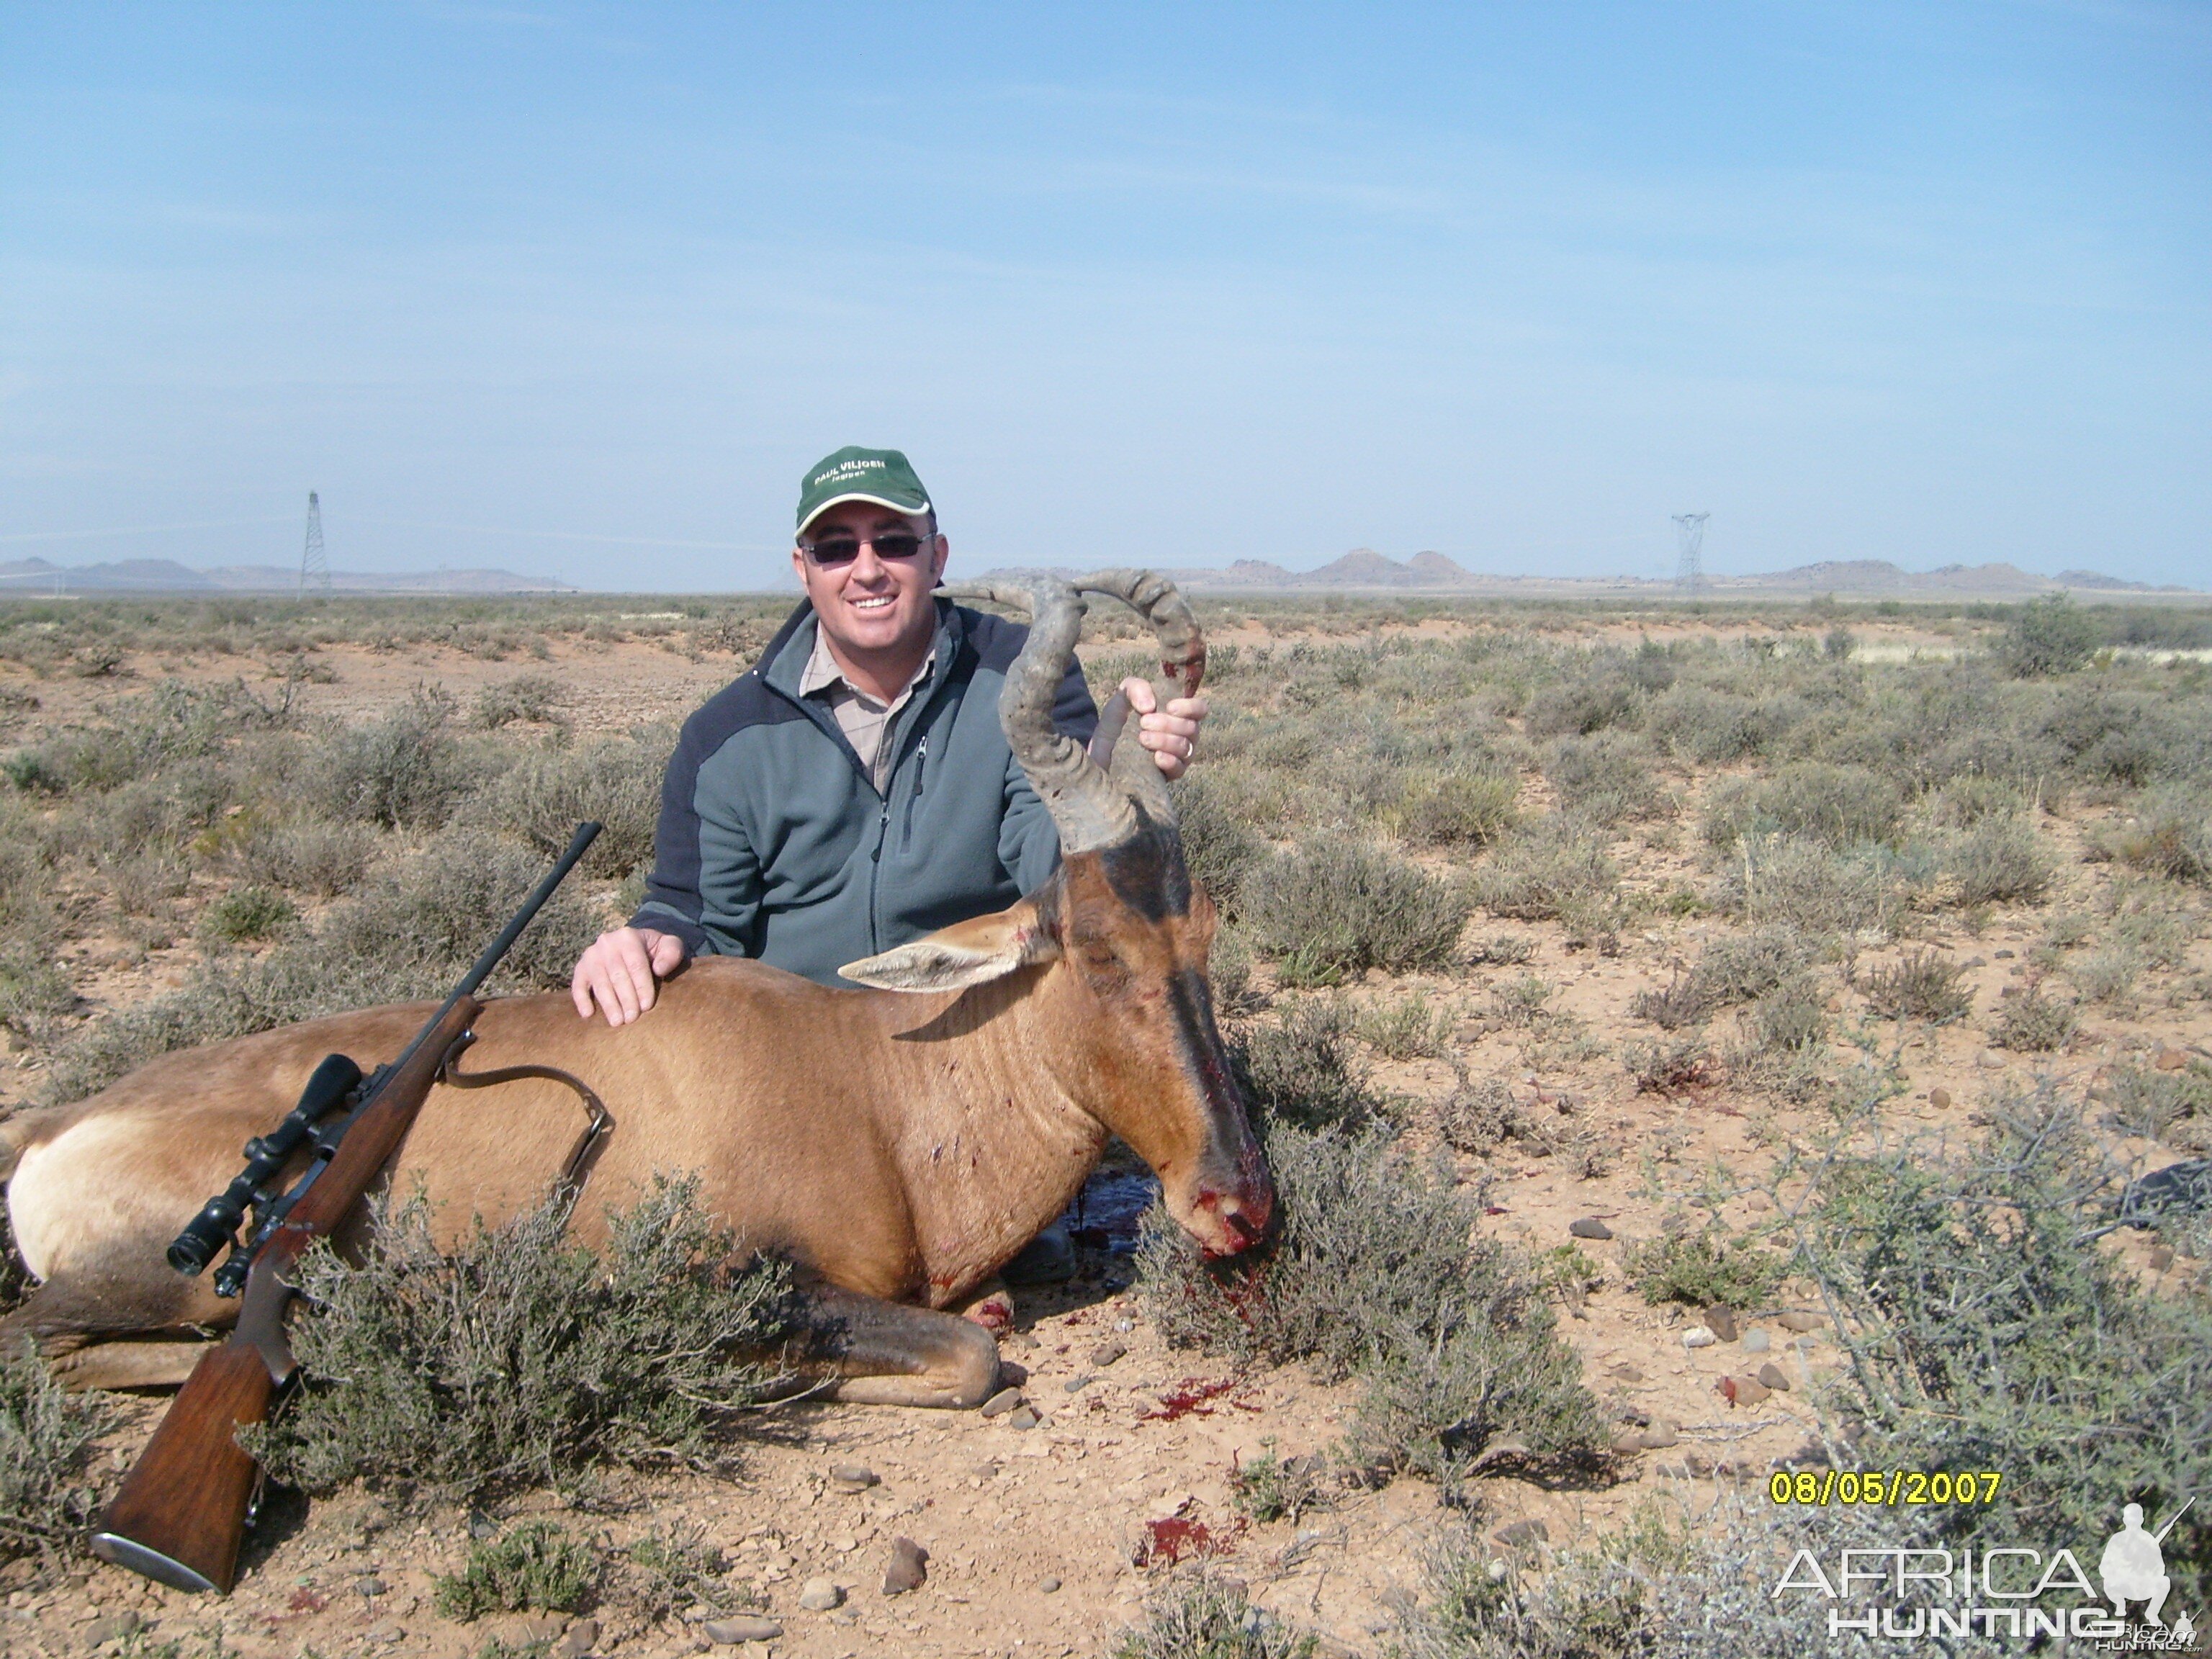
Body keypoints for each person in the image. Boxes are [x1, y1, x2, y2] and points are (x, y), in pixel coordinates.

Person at [570, 445, 1207, 1025]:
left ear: (938, 556)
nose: (867, 569)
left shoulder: (1022, 677)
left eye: (896, 542)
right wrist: (648, 939)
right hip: (793, 1051)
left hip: (973, 1036)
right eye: (836, 548)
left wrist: (1101, 785)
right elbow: (693, 913)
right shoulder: (726, 737)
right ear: (803, 568)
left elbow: (1050, 864)